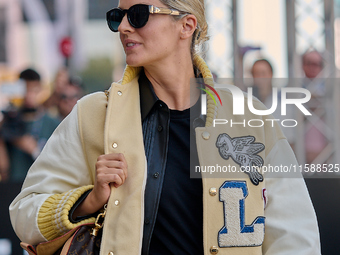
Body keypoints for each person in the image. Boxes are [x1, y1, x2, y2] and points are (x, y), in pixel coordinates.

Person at [10, 0, 320, 254]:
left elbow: (294, 234)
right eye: (118, 16)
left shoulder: (250, 116)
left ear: (187, 25)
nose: (124, 27)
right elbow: (24, 213)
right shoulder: (93, 114)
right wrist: (89, 200)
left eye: (139, 14)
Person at [0, 68, 60, 183]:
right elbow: (3, 168)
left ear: (41, 89)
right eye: (25, 89)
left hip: (43, 185)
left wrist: (35, 150)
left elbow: (60, 162)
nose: (29, 95)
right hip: (13, 187)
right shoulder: (8, 121)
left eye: (34, 90)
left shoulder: (53, 123)